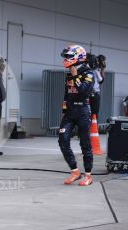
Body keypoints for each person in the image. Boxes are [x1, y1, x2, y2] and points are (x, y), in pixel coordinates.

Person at [59, 45, 94, 186]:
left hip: (83, 112)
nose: (66, 59)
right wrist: (63, 111)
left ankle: (88, 175)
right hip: (70, 112)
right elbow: (67, 95)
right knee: (62, 140)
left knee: (85, 144)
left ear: (77, 57)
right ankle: (75, 171)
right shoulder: (69, 73)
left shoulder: (88, 73)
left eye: (68, 56)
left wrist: (75, 76)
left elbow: (84, 91)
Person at [88, 54, 106, 119]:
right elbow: (101, 80)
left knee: (86, 112)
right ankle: (93, 127)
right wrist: (103, 69)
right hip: (94, 93)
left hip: (85, 93)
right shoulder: (96, 71)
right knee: (94, 113)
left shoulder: (85, 70)